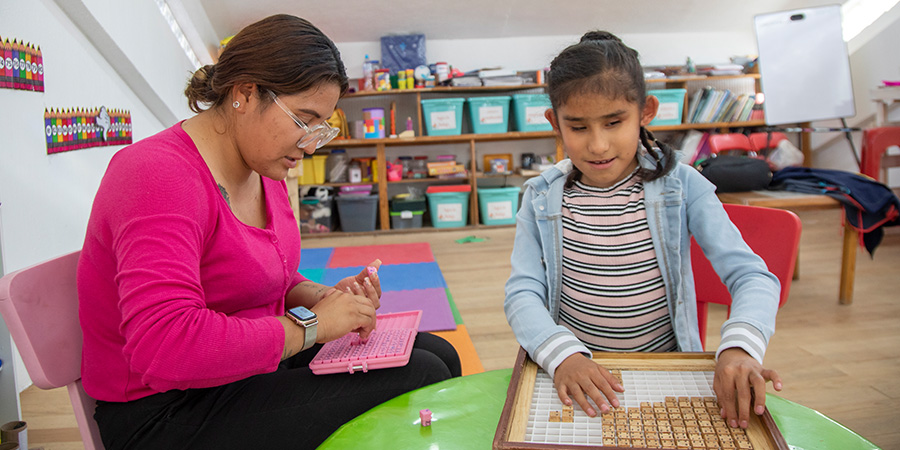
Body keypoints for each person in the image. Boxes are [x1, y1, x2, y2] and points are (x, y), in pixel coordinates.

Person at [77, 14, 459, 450]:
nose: (311, 144)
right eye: (304, 120)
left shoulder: (263, 166)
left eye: (322, 128)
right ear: (244, 93)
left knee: (437, 354)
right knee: (423, 375)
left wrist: (326, 299)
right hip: (166, 410)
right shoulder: (156, 174)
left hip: (247, 372)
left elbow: (262, 275)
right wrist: (315, 326)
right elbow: (164, 346)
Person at [504, 31, 782, 431]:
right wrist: (563, 355)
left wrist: (739, 347)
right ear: (555, 123)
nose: (598, 145)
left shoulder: (682, 185)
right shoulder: (541, 197)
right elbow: (522, 292)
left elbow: (752, 276)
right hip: (575, 372)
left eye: (614, 123)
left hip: (665, 372)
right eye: (578, 127)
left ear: (645, 112)